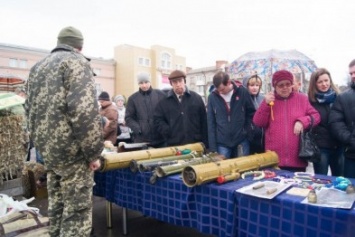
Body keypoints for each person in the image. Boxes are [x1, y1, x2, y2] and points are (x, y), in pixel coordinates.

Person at [25, 26, 103, 237]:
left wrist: (41, 145)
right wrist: (93, 153)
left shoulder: (37, 68)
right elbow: (84, 112)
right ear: (80, 46)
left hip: (50, 152)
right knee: (76, 213)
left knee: (57, 206)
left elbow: (29, 110)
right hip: (73, 154)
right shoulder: (77, 63)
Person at [253, 70, 320, 172]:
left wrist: (302, 122)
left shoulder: (302, 99)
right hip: (273, 159)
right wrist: (265, 104)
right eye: (281, 85)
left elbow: (316, 116)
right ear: (275, 86)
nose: (285, 88)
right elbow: (258, 122)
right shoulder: (269, 100)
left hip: (297, 160)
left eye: (288, 84)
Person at [207, 71, 255, 158]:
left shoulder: (242, 91)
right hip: (222, 143)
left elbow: (251, 114)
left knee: (244, 169)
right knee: (223, 170)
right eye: (218, 90)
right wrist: (213, 148)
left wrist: (248, 133)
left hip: (242, 140)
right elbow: (211, 123)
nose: (220, 92)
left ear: (229, 82)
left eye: (222, 89)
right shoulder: (212, 97)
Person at [154, 70, 208, 147]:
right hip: (174, 144)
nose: (178, 84)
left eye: (180, 81)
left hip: (195, 143)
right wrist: (167, 131)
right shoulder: (164, 102)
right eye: (175, 82)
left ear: (184, 81)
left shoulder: (196, 98)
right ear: (171, 84)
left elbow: (204, 121)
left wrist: (206, 144)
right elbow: (157, 120)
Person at [308, 68, 343, 176]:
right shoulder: (311, 101)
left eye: (326, 80)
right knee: (321, 179)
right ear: (315, 84)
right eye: (320, 82)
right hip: (321, 147)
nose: (324, 84)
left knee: (340, 180)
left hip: (339, 145)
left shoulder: (339, 98)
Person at [329, 59, 355, 178]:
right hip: (352, 155)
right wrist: (350, 139)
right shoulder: (343, 97)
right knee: (351, 191)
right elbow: (335, 122)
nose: (353, 76)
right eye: (351, 73)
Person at [125, 73, 166, 147]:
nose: (144, 85)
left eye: (146, 82)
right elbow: (129, 118)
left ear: (150, 82)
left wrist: (164, 128)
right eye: (141, 83)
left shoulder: (160, 95)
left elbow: (167, 114)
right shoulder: (133, 99)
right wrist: (138, 129)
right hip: (142, 139)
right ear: (138, 84)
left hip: (161, 138)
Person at [242, 74, 265, 154]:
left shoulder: (263, 98)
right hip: (249, 138)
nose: (255, 88)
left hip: (262, 137)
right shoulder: (243, 100)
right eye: (252, 85)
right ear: (246, 86)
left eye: (257, 85)